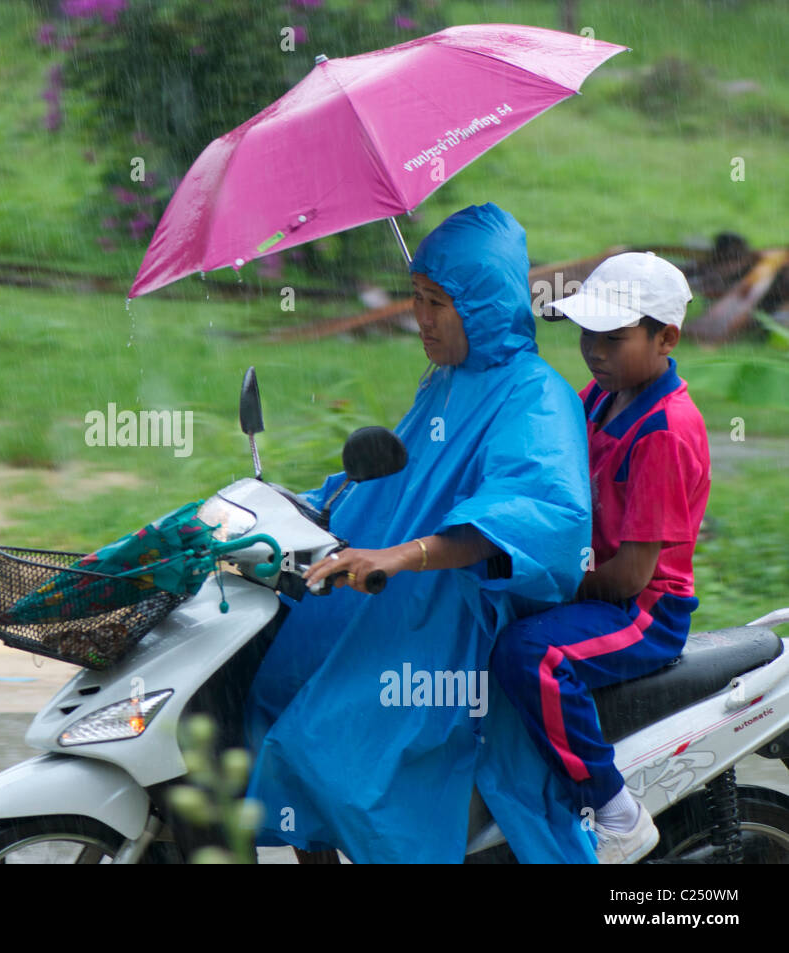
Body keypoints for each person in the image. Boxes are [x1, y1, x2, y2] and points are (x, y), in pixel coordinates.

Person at [243, 203, 596, 862]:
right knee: (274, 683)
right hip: (391, 591)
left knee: (331, 747)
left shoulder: (536, 396)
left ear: (487, 305)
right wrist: (295, 503)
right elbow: (392, 475)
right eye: (415, 297)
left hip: (451, 617)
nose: (421, 317)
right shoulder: (447, 383)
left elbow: (543, 509)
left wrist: (406, 554)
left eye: (438, 301)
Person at [489, 252, 710, 864]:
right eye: (587, 335)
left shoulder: (663, 430)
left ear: (665, 337)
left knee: (529, 652)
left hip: (643, 610)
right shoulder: (599, 398)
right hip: (596, 582)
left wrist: (556, 583)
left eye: (613, 339)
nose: (595, 351)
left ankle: (614, 807)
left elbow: (633, 575)